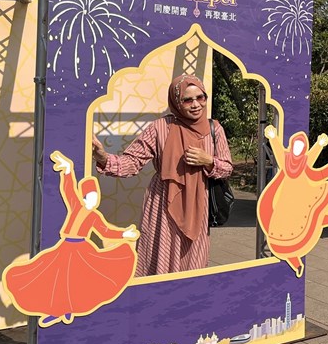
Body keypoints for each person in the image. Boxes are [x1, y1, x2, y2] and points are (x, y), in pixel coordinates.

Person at [92, 74, 233, 276]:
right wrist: (103, 157)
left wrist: (208, 161)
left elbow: (227, 168)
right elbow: (131, 162)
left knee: (193, 262)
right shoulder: (160, 128)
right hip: (162, 205)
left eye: (200, 98)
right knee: (159, 259)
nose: (195, 105)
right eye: (187, 99)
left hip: (198, 205)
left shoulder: (214, 129)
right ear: (176, 102)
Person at [3, 151, 139, 327]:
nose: (93, 200)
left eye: (95, 197)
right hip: (66, 248)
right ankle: (58, 310)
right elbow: (69, 190)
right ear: (83, 197)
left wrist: (123, 234)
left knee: (75, 282)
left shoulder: (94, 216)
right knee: (56, 280)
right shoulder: (76, 207)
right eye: (89, 197)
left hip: (82, 251)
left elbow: (105, 231)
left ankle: (67, 309)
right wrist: (68, 170)